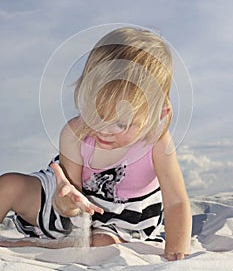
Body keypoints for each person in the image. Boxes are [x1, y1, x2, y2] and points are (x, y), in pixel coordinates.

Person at [0, 27, 192, 261]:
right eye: (95, 113)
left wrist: (177, 251)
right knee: (8, 185)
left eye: (121, 124)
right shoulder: (74, 134)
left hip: (124, 215)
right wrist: (65, 203)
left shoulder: (157, 141)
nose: (104, 130)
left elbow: (177, 201)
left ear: (159, 114)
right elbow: (72, 201)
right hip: (75, 207)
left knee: (100, 243)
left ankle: (36, 244)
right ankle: (48, 240)